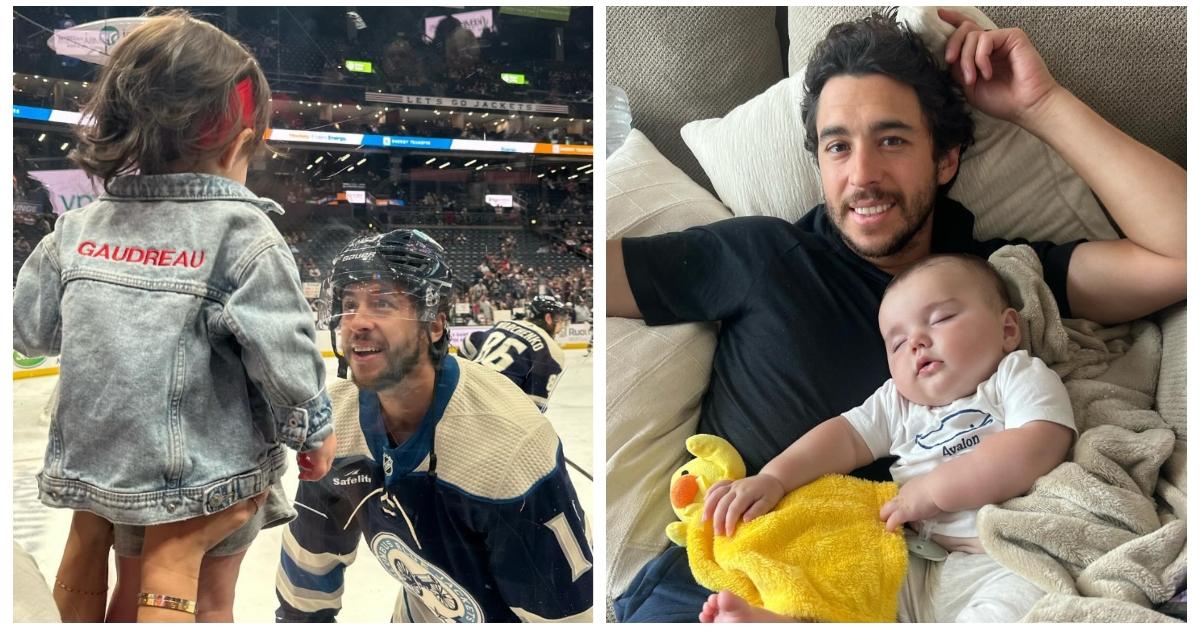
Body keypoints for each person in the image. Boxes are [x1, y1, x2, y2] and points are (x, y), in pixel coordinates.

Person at [608, 9, 1185, 622]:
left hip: (920, 580)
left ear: (945, 160)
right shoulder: (760, 253)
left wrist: (1040, 105)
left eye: (892, 140)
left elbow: (1183, 253)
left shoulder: (995, 282)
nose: (862, 176)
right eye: (838, 146)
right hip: (728, 576)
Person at [12, 10, 336, 622]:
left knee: (113, 587)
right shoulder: (244, 232)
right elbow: (284, 350)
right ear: (242, 142)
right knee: (203, 596)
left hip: (97, 466)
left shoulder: (76, 228)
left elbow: (30, 332)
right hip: (204, 469)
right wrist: (314, 428)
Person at [701, 254, 1075, 622]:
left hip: (1001, 556)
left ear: (1007, 330)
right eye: (897, 343)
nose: (916, 343)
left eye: (941, 319)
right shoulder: (897, 403)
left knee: (1014, 605)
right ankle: (799, 618)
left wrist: (933, 491)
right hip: (919, 558)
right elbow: (844, 437)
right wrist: (775, 477)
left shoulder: (1015, 376)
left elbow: (1040, 442)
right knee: (849, 584)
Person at [276, 230, 593, 622]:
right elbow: (308, 574)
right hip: (426, 606)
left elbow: (565, 616)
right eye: (348, 304)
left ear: (436, 326)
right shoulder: (334, 421)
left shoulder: (509, 450)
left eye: (382, 303)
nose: (357, 321)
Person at [459, 294, 570, 412]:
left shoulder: (503, 323)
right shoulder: (551, 351)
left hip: (461, 395)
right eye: (561, 320)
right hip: (493, 411)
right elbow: (533, 407)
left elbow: (467, 344)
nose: (562, 326)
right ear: (548, 318)